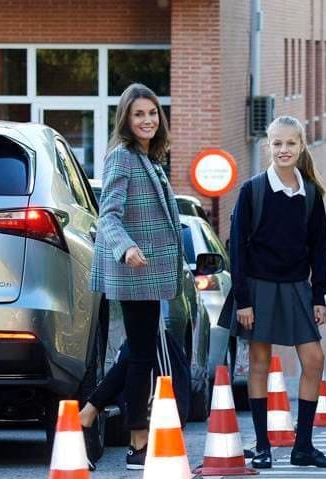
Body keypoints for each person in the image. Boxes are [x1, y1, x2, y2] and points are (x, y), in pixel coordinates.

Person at [228, 115, 326, 469]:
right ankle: (262, 446)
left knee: (314, 360)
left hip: (297, 288)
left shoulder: (310, 194)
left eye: (290, 143)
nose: (283, 149)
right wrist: (243, 300)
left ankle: (303, 447)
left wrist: (319, 295)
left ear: (301, 146)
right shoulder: (252, 191)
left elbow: (319, 248)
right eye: (277, 143)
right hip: (259, 289)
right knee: (260, 363)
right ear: (268, 147)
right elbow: (237, 250)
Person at [84, 83, 184, 470]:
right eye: (139, 114)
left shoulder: (151, 159)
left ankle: (89, 413)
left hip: (152, 272)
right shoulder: (121, 157)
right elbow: (108, 214)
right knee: (141, 355)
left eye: (153, 113)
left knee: (136, 352)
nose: (147, 120)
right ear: (126, 119)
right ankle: (137, 441)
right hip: (133, 269)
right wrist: (124, 247)